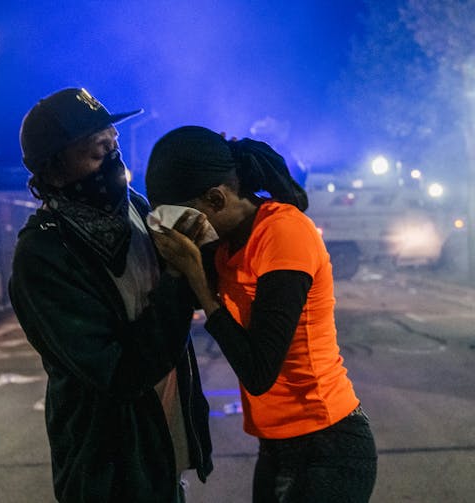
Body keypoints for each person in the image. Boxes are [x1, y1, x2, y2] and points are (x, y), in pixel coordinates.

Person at [145, 125, 377, 503]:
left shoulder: (283, 232)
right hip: (276, 444)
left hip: (326, 444)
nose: (177, 229)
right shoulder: (224, 246)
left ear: (216, 198)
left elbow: (259, 371)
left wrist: (200, 282)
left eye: (182, 218)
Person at [8, 89, 213, 503]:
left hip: (161, 461)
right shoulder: (44, 255)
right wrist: (178, 280)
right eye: (97, 152)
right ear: (55, 171)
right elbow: (119, 373)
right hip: (109, 474)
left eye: (113, 144)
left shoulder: (134, 209)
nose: (114, 160)